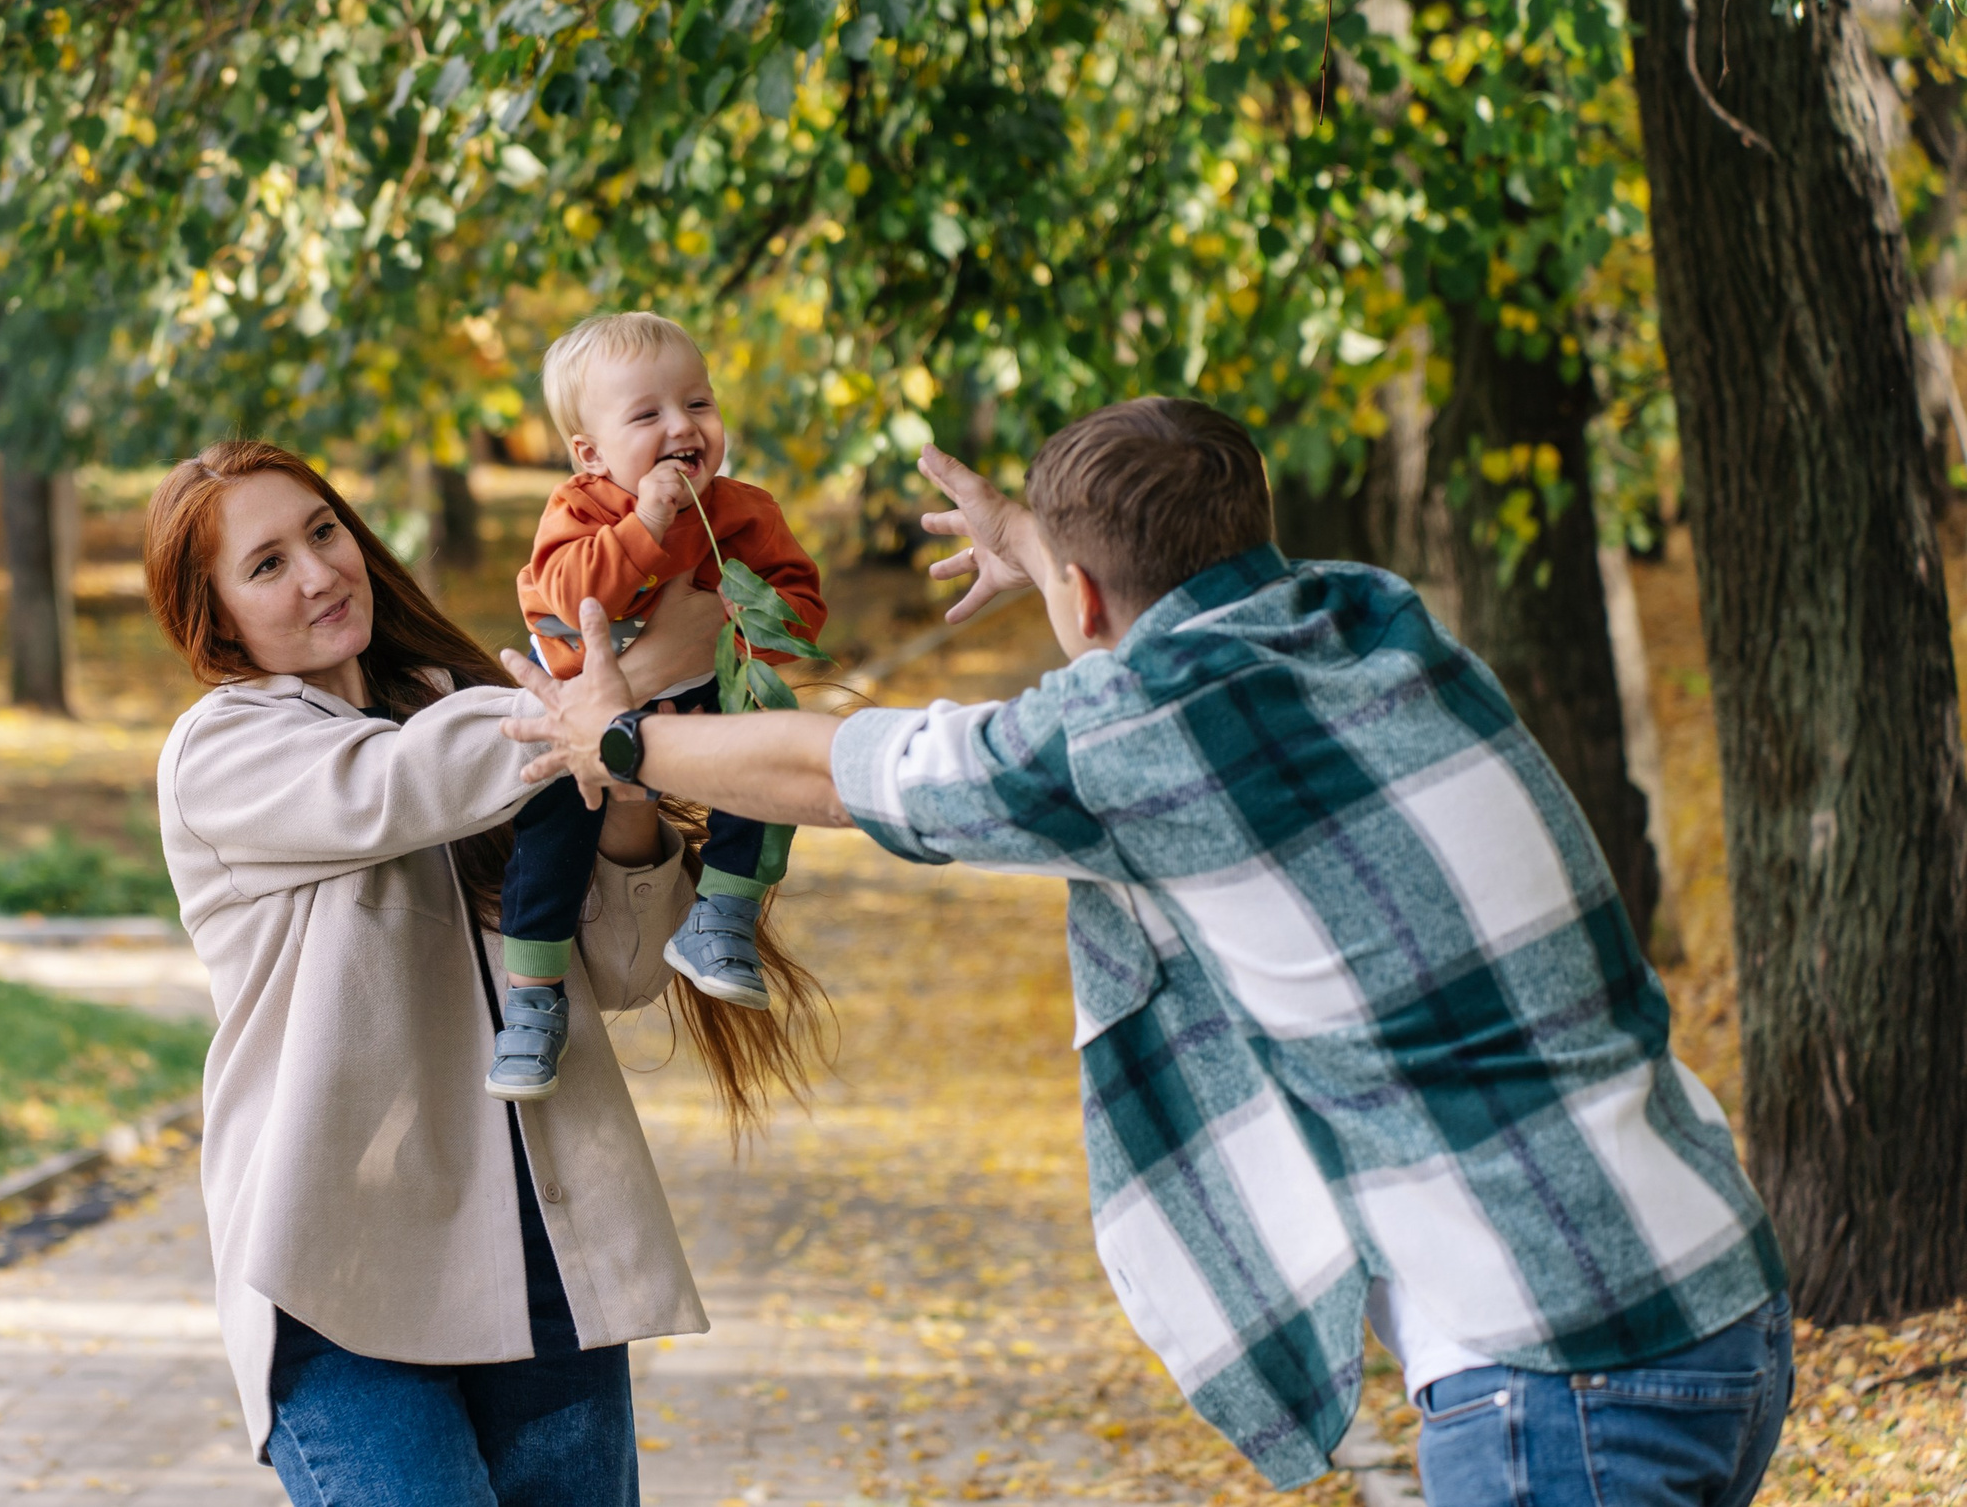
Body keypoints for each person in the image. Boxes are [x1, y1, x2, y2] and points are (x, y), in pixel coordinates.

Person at [500, 397, 1792, 1507]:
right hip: (1721, 1298)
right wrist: (1043, 544)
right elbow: (1165, 589)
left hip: (1559, 1371)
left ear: (1082, 593)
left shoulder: (1137, 737)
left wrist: (623, 738)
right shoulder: (1378, 620)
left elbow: (836, 769)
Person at [146, 439, 781, 1506]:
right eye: (265, 565)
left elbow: (620, 968)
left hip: (544, 1261)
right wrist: (605, 687)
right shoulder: (225, 751)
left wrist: (624, 794)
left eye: (321, 531)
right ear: (215, 616)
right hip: (338, 1279)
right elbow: (400, 782)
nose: (316, 573)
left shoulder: (472, 704)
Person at [491, 311, 827, 1099]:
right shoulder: (580, 512)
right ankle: (533, 1001)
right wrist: (647, 524)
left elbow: (802, 604)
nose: (683, 426)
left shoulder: (745, 511)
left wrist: (740, 622)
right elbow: (572, 596)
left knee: (769, 754)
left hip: (703, 689)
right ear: (591, 453)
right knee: (551, 825)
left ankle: (723, 917)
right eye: (647, 414)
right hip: (585, 703)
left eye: (699, 404)